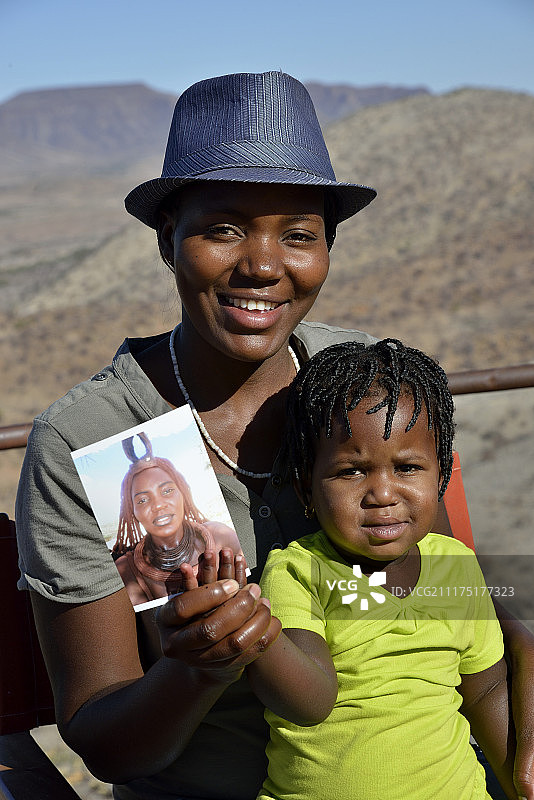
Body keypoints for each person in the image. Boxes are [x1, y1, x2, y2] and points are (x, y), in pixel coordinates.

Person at [14, 71, 534, 800]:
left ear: (328, 248)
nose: (262, 265)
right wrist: (197, 669)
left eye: (298, 235)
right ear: (168, 240)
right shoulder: (90, 439)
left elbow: (444, 589)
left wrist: (517, 638)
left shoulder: (362, 383)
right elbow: (107, 745)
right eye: (223, 229)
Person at [242, 338, 515, 800]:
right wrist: (253, 633)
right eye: (351, 472)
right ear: (306, 489)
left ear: (441, 476)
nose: (383, 494)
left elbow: (486, 688)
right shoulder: (299, 571)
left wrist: (520, 782)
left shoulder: (456, 567)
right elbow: (309, 701)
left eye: (407, 468)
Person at [113, 432, 242, 606]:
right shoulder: (127, 571)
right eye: (142, 500)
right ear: (133, 513)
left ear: (184, 495)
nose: (158, 505)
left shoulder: (221, 536)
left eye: (167, 491)